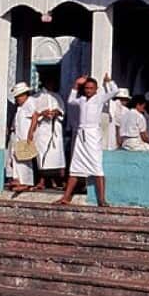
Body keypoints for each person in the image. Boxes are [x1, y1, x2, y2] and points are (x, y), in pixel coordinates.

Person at [58, 75, 119, 206]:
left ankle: (102, 200)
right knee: (75, 167)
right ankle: (66, 197)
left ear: (96, 89)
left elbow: (114, 91)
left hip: (92, 134)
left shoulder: (99, 98)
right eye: (86, 88)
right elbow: (70, 100)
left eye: (91, 88)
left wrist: (109, 82)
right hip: (81, 134)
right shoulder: (82, 100)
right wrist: (76, 84)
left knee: (97, 167)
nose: (89, 90)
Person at [31, 79, 67, 190]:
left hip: (55, 127)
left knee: (56, 156)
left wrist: (57, 112)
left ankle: (56, 179)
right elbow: (33, 113)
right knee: (42, 155)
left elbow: (62, 111)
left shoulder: (58, 97)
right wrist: (43, 114)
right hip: (43, 129)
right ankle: (41, 181)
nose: (52, 84)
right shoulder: (36, 97)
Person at [7, 82, 38, 193]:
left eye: (19, 96)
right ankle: (18, 179)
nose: (17, 99)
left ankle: (26, 182)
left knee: (25, 159)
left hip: (25, 135)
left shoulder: (30, 102)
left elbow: (35, 116)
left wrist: (31, 132)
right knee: (16, 157)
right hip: (17, 134)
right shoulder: (20, 106)